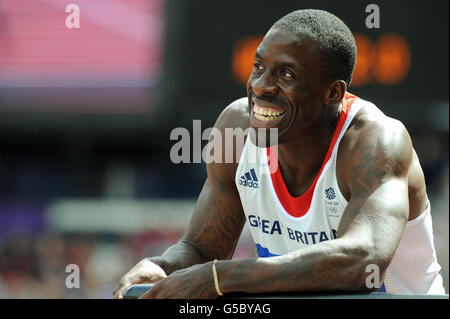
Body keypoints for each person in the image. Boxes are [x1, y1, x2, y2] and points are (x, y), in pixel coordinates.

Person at [114, 9, 445, 298]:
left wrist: (222, 277)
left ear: (333, 92)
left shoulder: (376, 142)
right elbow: (201, 249)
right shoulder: (235, 129)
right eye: (258, 66)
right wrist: (163, 265)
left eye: (285, 74)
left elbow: (364, 261)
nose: (260, 86)